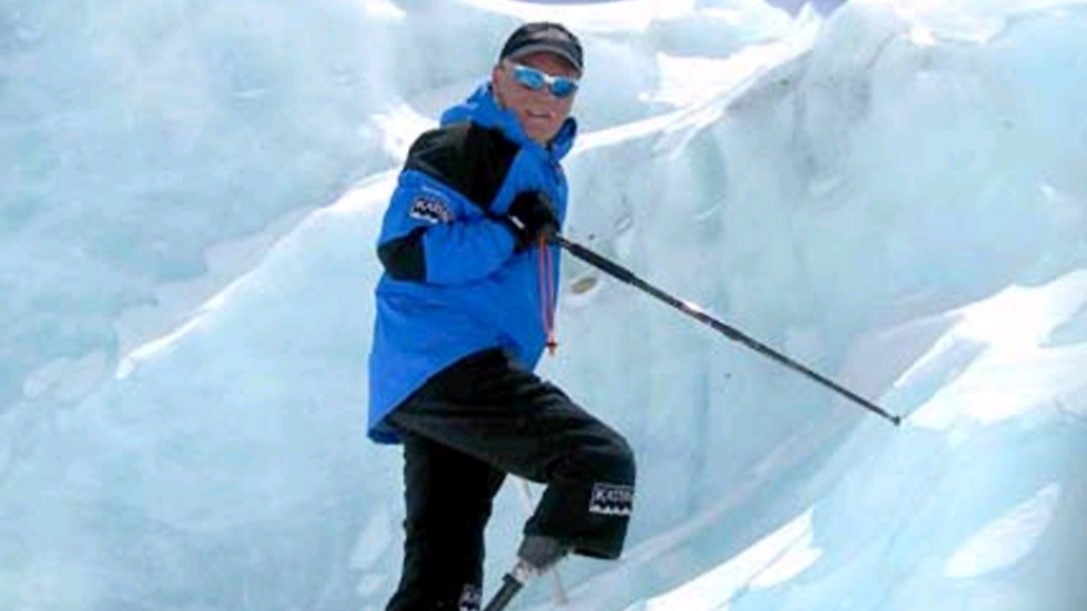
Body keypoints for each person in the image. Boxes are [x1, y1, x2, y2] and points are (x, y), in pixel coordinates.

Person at [367, 21, 637, 611]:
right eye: (531, 78)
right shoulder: (462, 147)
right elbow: (406, 249)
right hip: (448, 361)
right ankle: (529, 568)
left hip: (440, 373)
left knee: (443, 575)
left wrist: (517, 226)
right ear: (498, 78)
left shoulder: (539, 166)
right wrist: (510, 229)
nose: (546, 96)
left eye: (562, 86)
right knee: (598, 462)